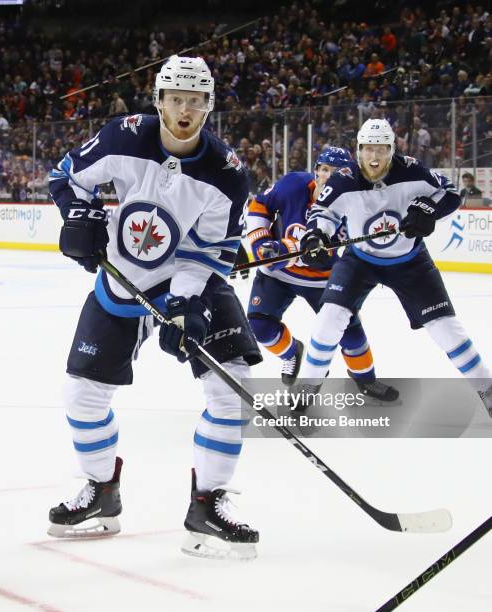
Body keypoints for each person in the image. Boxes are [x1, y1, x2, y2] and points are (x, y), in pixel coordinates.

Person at [47, 55, 262, 559]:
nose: (184, 110)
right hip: (123, 277)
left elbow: (211, 252)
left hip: (188, 280)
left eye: (195, 101)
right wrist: (80, 216)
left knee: (231, 388)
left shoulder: (227, 174)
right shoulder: (125, 136)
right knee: (82, 393)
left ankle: (208, 504)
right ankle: (101, 492)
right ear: (159, 100)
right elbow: (67, 175)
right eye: (175, 99)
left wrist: (187, 302)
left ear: (208, 106)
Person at [297, 118, 492, 417]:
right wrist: (316, 236)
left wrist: (427, 210)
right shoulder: (343, 179)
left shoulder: (413, 170)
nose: (374, 158)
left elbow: (450, 193)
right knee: (328, 320)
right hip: (359, 260)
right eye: (367, 149)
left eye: (381, 149)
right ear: (358, 149)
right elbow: (324, 212)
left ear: (392, 149)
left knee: (447, 330)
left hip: (410, 262)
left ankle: (486, 389)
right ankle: (307, 388)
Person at [245, 146, 398, 403]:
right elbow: (260, 205)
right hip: (278, 274)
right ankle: (291, 353)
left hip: (326, 280)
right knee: (260, 326)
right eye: (324, 169)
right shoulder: (293, 184)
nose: (328, 176)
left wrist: (287, 249)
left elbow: (344, 257)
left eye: (336, 172)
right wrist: (261, 242)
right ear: (315, 170)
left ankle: (366, 380)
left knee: (349, 333)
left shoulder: (357, 204)